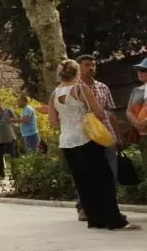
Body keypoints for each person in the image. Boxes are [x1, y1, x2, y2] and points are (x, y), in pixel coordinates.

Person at [48, 59, 139, 231]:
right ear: (77, 73)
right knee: (102, 179)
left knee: (83, 181)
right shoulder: (81, 89)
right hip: (86, 138)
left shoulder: (54, 94)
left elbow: (53, 122)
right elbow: (99, 113)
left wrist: (68, 116)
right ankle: (114, 220)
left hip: (66, 141)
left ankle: (95, 219)